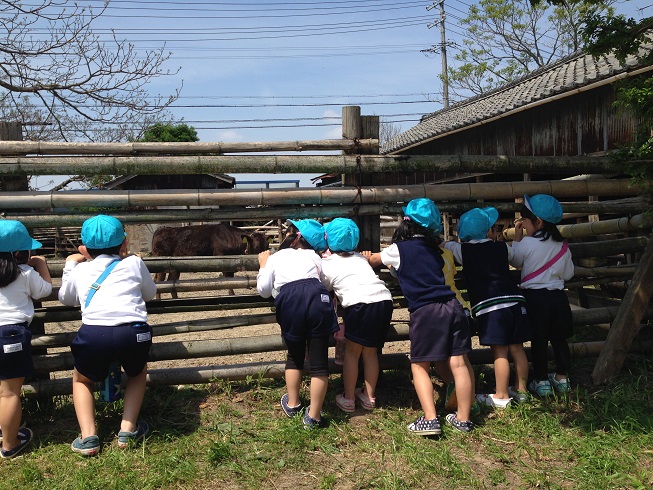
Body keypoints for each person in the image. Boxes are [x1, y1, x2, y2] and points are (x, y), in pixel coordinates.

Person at [367, 198, 476, 434]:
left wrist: (366, 255)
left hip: (427, 311)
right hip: (452, 305)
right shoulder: (436, 250)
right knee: (459, 363)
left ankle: (430, 418)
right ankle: (464, 419)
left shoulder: (398, 249)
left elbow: (375, 260)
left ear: (405, 223)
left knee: (419, 365)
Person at [58, 215, 157, 456]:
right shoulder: (134, 263)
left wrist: (70, 265)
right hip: (133, 333)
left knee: (82, 379)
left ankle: (88, 436)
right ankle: (127, 429)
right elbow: (151, 293)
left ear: (84, 248)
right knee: (137, 373)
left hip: (95, 334)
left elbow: (66, 299)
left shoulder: (80, 269)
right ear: (124, 244)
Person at [443, 207, 531, 409]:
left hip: (490, 307)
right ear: (489, 231)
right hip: (516, 301)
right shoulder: (501, 247)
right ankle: (522, 390)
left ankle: (501, 395)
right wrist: (516, 238)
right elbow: (517, 259)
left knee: (500, 352)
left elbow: (444, 244)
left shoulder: (461, 249)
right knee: (518, 348)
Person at [256, 219, 339, 428]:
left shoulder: (277, 257)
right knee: (319, 362)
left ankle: (293, 404)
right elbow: (325, 280)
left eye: (288, 232)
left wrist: (263, 266)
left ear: (296, 237)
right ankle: (314, 416)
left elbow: (264, 290)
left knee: (294, 355)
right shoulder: (314, 256)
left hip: (290, 300)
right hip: (317, 299)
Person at [320, 218, 393, 413]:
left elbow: (325, 286)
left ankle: (349, 398)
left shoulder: (327, 264)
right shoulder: (361, 258)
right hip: (384, 301)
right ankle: (369, 397)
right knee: (370, 352)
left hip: (360, 305)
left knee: (352, 353)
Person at [511, 195, 574, 396]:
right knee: (559, 339)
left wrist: (517, 239)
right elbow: (569, 274)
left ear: (537, 222)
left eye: (526, 222)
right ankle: (562, 378)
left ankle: (541, 380)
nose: (525, 226)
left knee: (539, 340)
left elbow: (515, 260)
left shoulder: (527, 244)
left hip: (535, 298)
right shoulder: (563, 246)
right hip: (558, 297)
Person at [0, 221, 52, 458]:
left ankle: (3, 430)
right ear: (20, 253)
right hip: (10, 334)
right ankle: (10, 444)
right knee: (9, 393)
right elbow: (45, 291)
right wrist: (41, 265)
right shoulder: (25, 273)